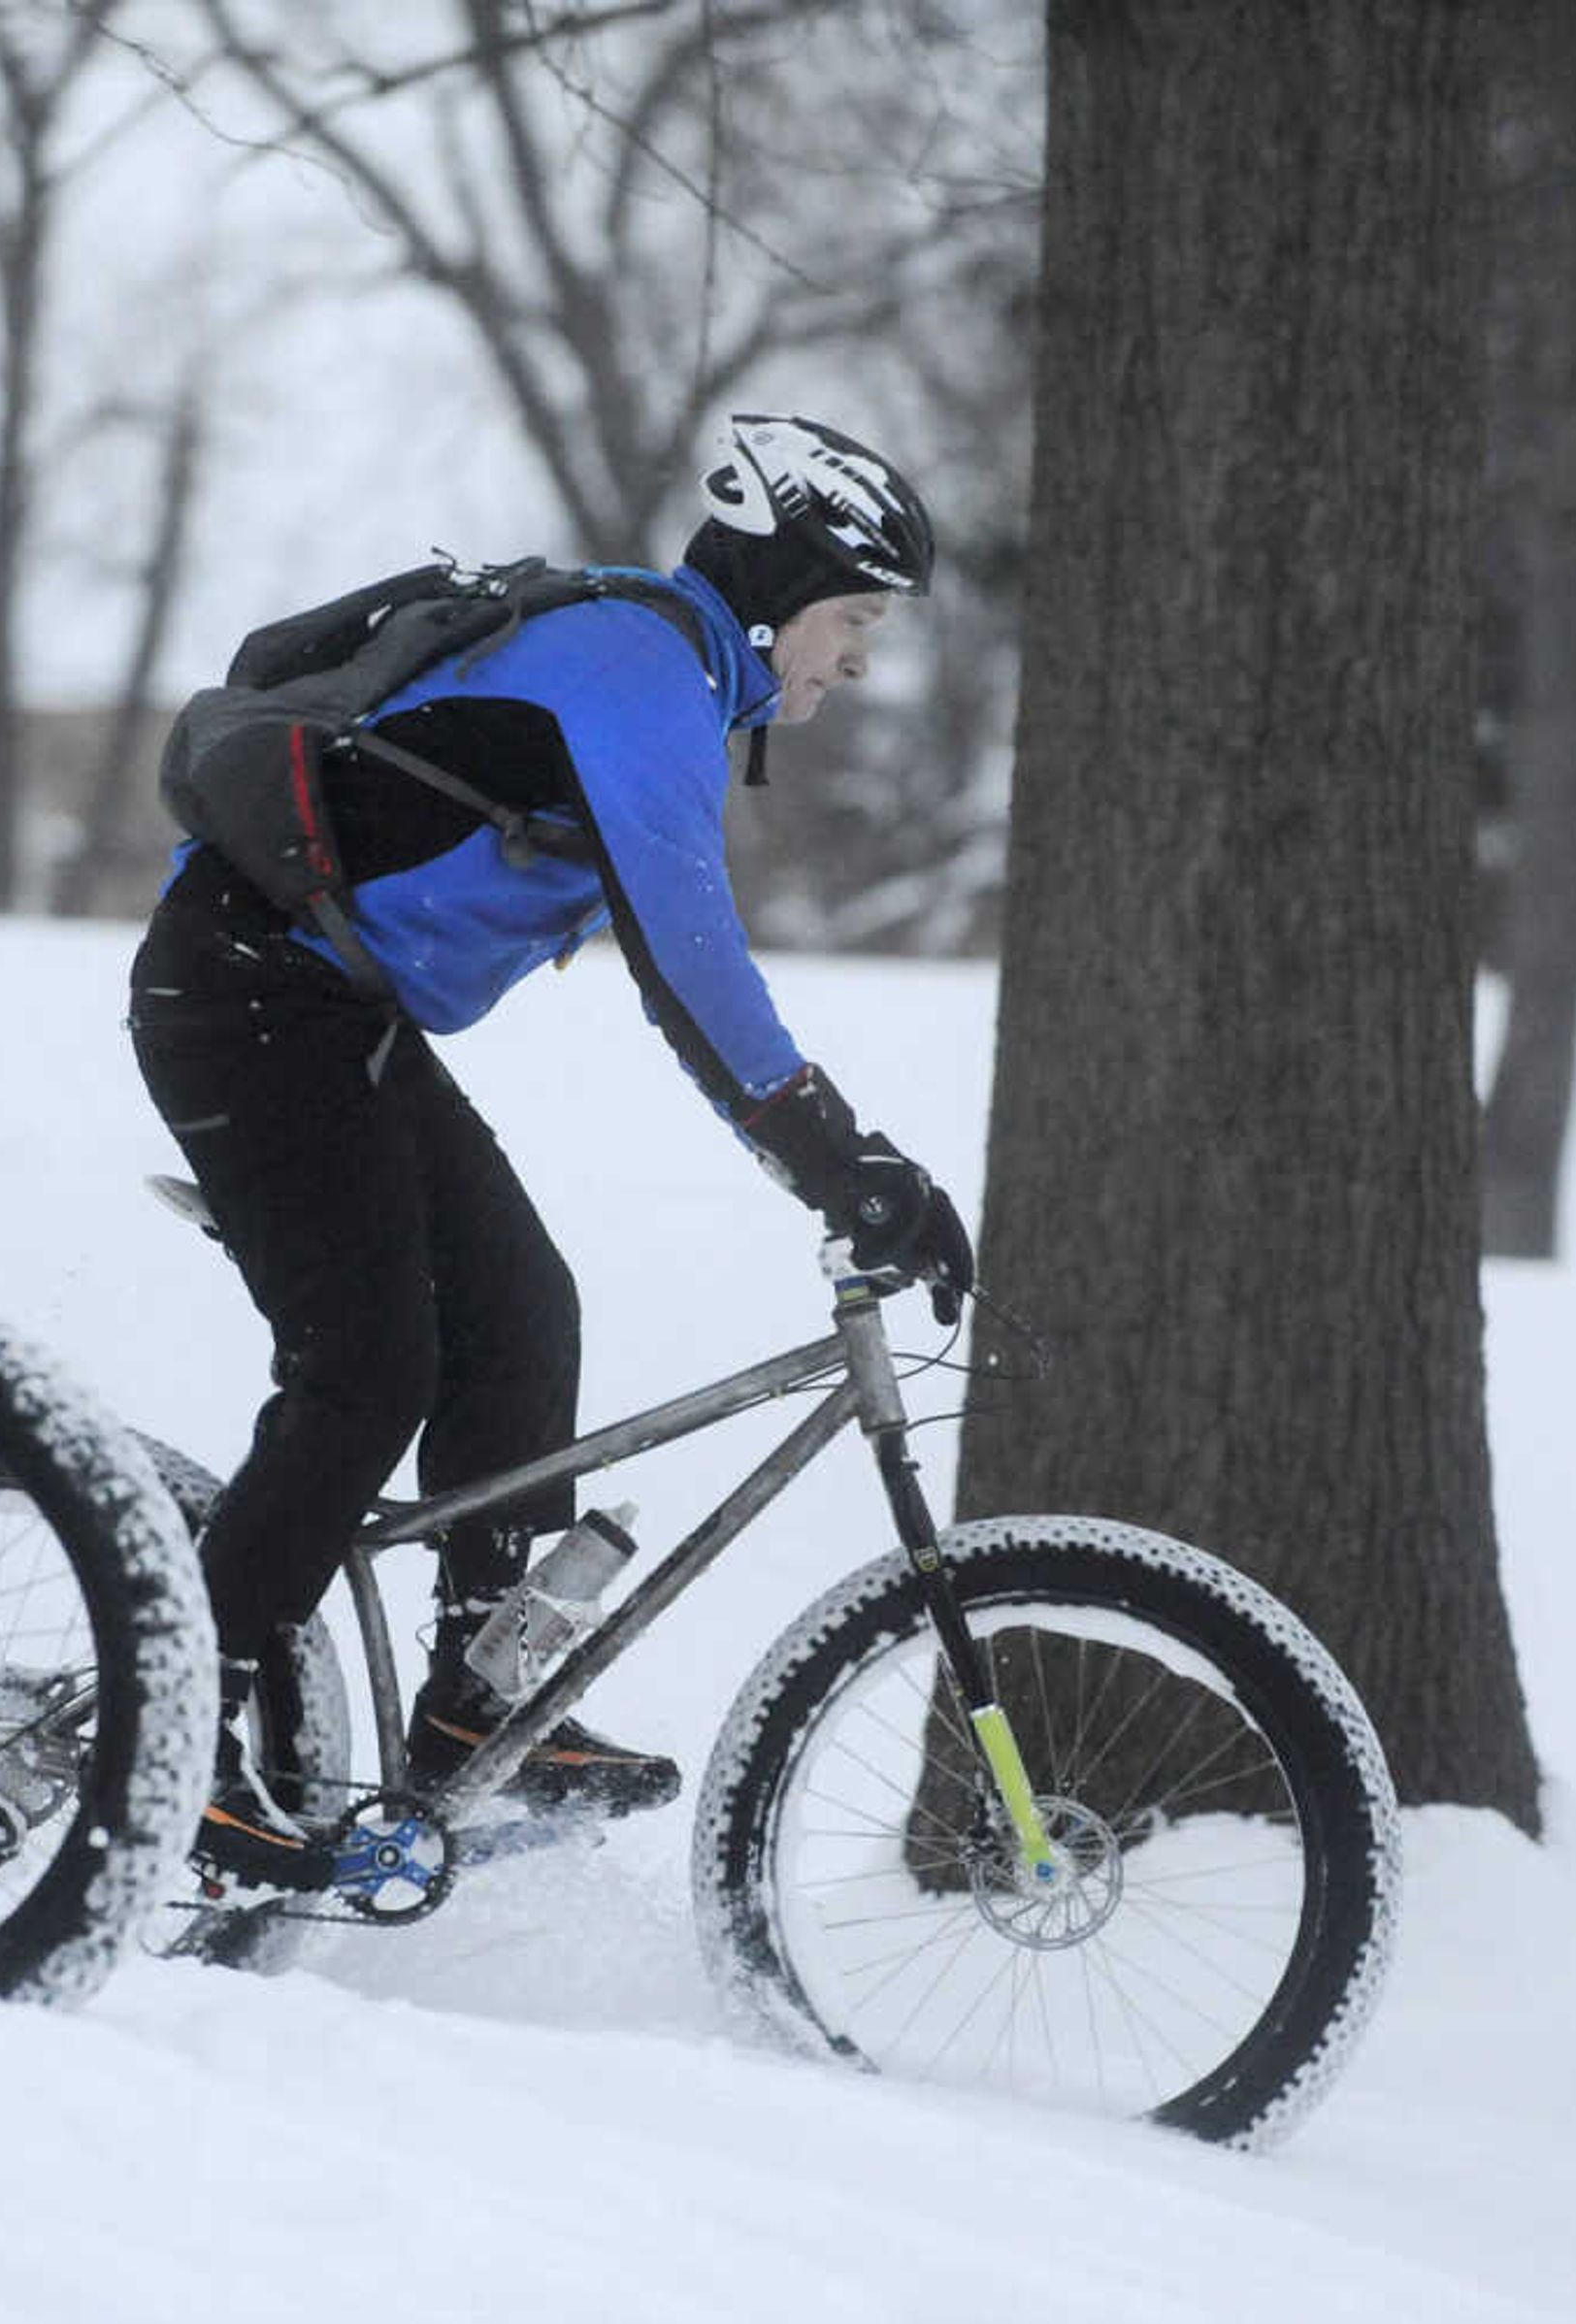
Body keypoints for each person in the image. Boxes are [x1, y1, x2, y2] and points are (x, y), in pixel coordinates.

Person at [129, 412, 976, 1890]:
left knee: (524, 1310)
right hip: (246, 999)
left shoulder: (672, 685)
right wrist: (847, 1160)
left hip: (340, 1017)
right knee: (370, 1372)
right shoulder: (639, 669)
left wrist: (829, 1156)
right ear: (776, 594)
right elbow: (692, 971)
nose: (853, 663)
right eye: (851, 623)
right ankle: (161, 1725)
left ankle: (477, 1703)